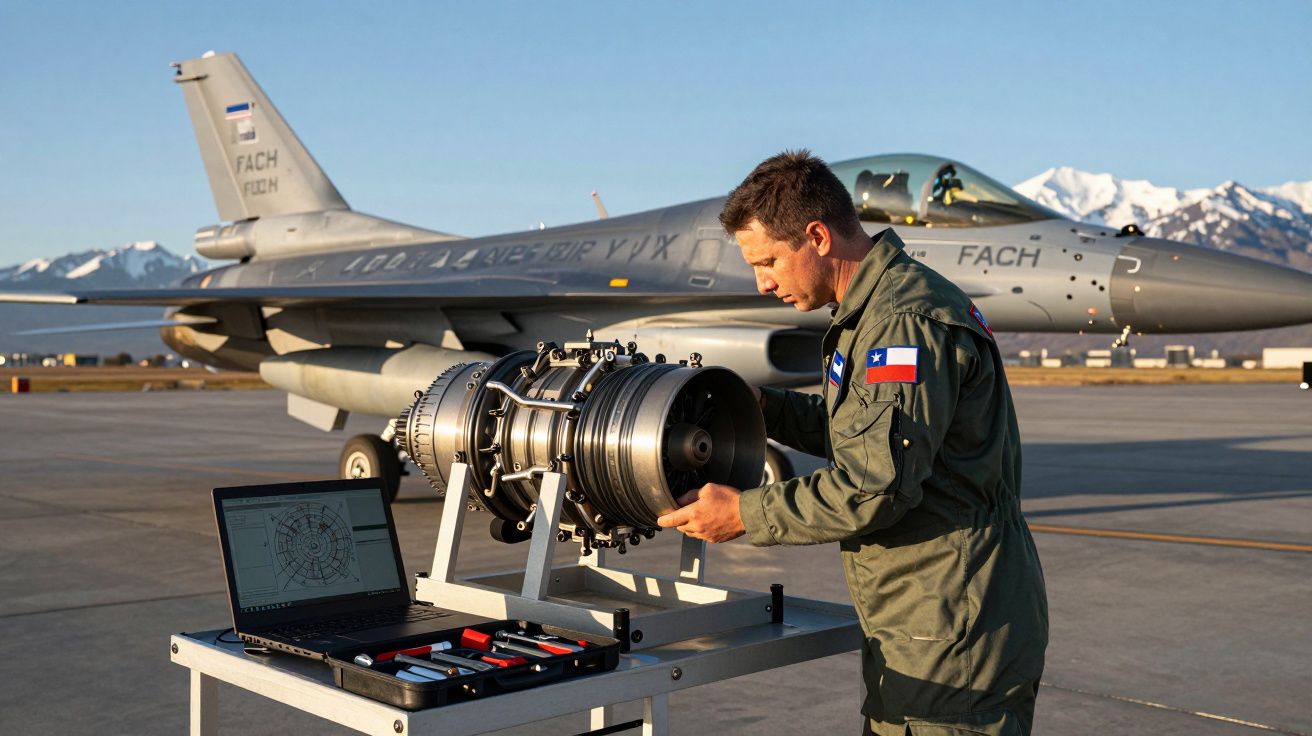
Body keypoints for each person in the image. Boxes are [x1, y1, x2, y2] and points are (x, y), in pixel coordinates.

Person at [656, 151, 1049, 735]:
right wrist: (766, 409)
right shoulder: (872, 312)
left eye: (768, 262)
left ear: (815, 236)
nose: (763, 283)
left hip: (953, 624)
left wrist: (745, 513)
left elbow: (873, 486)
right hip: (923, 612)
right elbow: (865, 433)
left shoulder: (902, 322)